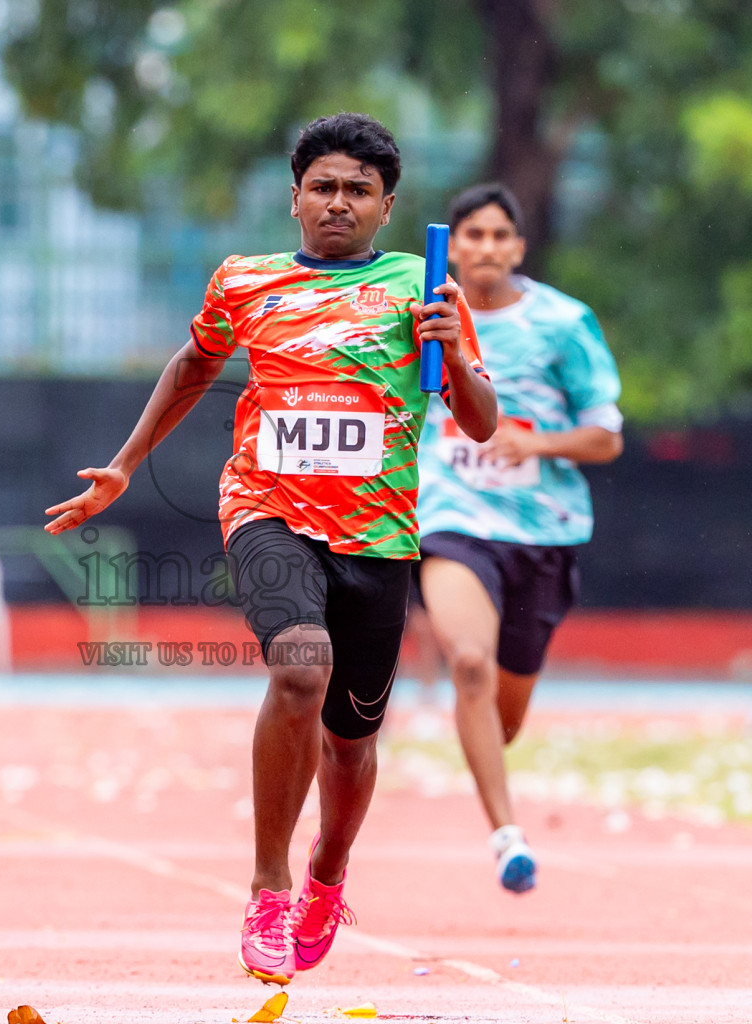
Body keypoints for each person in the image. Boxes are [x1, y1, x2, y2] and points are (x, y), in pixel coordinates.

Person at [45, 113, 496, 985]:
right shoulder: (245, 281)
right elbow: (192, 364)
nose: (339, 204)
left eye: (358, 191)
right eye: (323, 188)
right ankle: (267, 886)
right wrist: (127, 466)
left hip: (379, 534)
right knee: (299, 668)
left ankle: (327, 876)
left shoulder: (422, 287)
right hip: (266, 509)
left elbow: (477, 416)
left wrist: (454, 351)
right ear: (294, 200)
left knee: (352, 743)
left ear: (386, 208)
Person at [415, 184, 623, 893]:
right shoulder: (426, 316)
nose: (486, 248)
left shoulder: (563, 324)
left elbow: (606, 436)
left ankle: (483, 755)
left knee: (502, 717)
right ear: (455, 244)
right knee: (468, 661)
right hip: (452, 519)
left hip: (543, 532)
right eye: (472, 235)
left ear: (519, 248)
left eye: (501, 236)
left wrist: (534, 445)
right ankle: (508, 836)